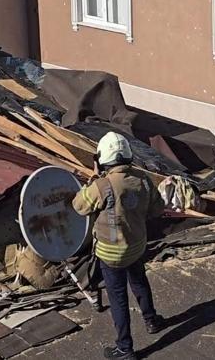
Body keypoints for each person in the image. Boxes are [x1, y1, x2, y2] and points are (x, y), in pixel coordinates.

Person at [72, 132, 166, 360]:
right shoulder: (143, 179)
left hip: (111, 253)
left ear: (103, 159)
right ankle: (151, 320)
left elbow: (79, 206)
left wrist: (93, 180)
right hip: (137, 246)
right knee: (140, 281)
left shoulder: (102, 185)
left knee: (118, 298)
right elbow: (157, 209)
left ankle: (125, 348)